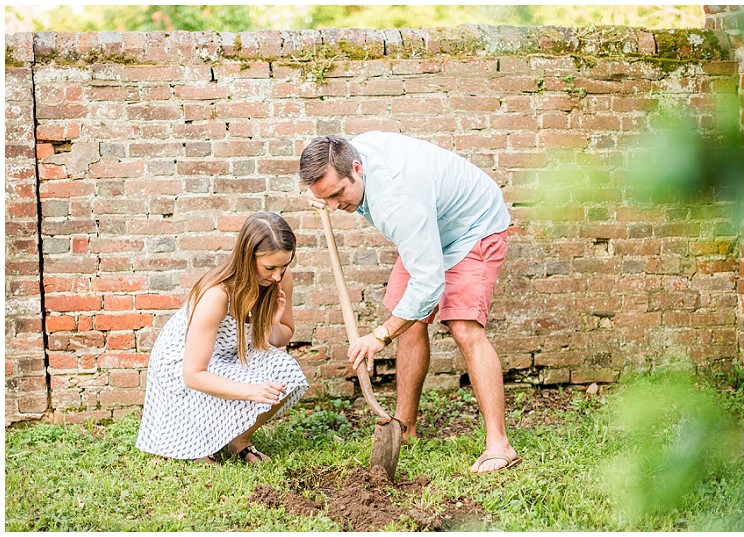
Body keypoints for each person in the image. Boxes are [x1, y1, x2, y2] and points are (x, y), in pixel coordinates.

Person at [299, 132, 520, 474]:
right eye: (324, 198)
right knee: (410, 320)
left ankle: (499, 445)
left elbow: (428, 286)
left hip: (473, 227)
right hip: (432, 226)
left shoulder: (398, 201)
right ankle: (405, 427)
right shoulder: (344, 154)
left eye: (337, 195)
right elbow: (416, 295)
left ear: (356, 169)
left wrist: (379, 335)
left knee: (463, 327)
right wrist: (324, 196)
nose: (333, 206)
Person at [136, 212, 308, 464]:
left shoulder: (280, 279)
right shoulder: (217, 294)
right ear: (247, 257)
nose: (277, 276)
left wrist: (271, 323)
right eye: (270, 267)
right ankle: (197, 443)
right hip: (184, 364)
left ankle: (239, 440)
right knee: (233, 389)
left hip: (230, 355)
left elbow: (280, 338)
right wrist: (250, 391)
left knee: (286, 370)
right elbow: (194, 374)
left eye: (284, 265)